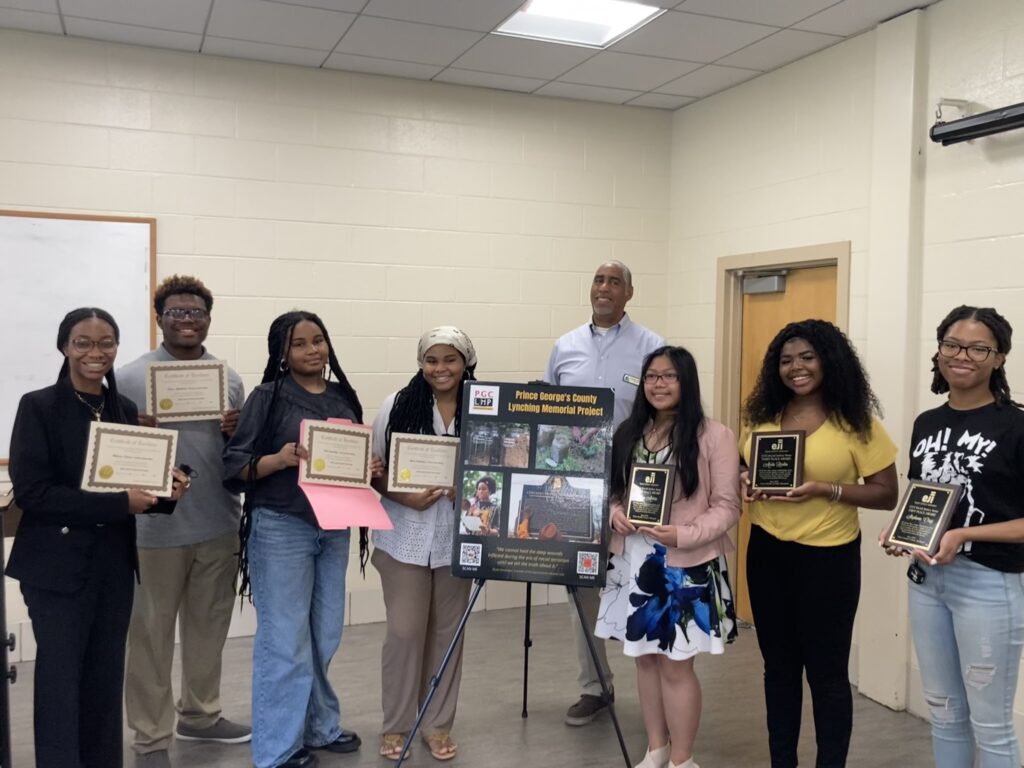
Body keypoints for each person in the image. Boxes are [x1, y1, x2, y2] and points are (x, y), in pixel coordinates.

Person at [6, 307, 188, 768]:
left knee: (105, 679)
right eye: (83, 342)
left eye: (106, 342)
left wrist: (168, 491)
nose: (95, 352)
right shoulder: (38, 405)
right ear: (65, 347)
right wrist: (117, 504)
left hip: (112, 563)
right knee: (61, 681)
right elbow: (33, 492)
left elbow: (134, 490)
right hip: (55, 569)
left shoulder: (123, 409)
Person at [223, 311, 381, 768]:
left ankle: (319, 726)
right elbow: (235, 467)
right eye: (300, 344)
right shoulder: (268, 397)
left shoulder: (340, 395)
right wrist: (279, 459)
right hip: (282, 527)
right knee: (285, 639)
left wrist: (366, 468)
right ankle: (276, 749)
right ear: (282, 353)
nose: (313, 350)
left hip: (333, 528)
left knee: (324, 633)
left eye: (319, 340)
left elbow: (349, 458)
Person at [740, 319, 898, 768]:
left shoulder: (857, 424)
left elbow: (886, 494)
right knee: (779, 670)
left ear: (829, 361)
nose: (796, 368)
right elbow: (741, 466)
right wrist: (745, 480)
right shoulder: (761, 417)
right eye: (786, 360)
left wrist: (822, 488)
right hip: (768, 553)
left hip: (828, 560)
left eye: (807, 357)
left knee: (827, 676)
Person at [882, 306, 1024, 767]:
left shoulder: (1017, 425)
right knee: (943, 712)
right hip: (926, 581)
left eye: (979, 347)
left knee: (992, 727)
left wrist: (963, 533)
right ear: (939, 351)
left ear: (999, 357)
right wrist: (901, 526)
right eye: (953, 345)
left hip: (988, 584)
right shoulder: (927, 422)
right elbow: (922, 499)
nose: (963, 355)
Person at [118, 275, 249, 767]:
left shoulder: (228, 378)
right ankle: (151, 738)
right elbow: (108, 449)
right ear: (160, 319)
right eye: (177, 312)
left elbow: (238, 453)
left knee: (208, 630)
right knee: (150, 637)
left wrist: (238, 428)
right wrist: (132, 427)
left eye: (196, 312)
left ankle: (201, 715)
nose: (188, 320)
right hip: (154, 533)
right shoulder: (130, 378)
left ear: (208, 319)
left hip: (217, 523)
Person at [596, 346, 740, 768]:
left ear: (687, 382)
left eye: (670, 376)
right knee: (644, 661)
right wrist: (615, 514)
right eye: (652, 376)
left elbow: (728, 506)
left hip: (684, 565)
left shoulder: (715, 435)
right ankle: (656, 749)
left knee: (677, 666)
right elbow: (612, 493)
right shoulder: (629, 432)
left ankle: (682, 759)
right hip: (634, 563)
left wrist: (684, 534)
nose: (659, 384)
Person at [544, 260, 665, 726]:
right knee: (583, 587)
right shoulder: (565, 347)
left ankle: (658, 689)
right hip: (576, 487)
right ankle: (595, 685)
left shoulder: (652, 347)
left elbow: (666, 413)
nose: (605, 288)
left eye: (615, 282)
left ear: (629, 293)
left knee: (643, 581)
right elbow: (547, 414)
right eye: (598, 280)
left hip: (635, 484)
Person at [370, 326, 477, 761]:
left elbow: (502, 467)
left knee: (448, 635)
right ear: (420, 363)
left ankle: (436, 725)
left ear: (466, 361)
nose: (440, 368)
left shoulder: (484, 407)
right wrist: (404, 497)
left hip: (459, 538)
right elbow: (374, 469)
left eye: (450, 359)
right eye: (431, 360)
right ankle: (396, 725)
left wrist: (469, 487)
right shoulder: (396, 406)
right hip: (404, 539)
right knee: (405, 632)